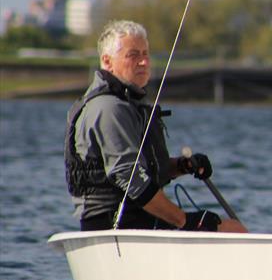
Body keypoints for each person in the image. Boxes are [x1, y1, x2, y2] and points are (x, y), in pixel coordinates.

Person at [65, 20, 247, 233]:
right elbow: (130, 177)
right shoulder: (108, 108)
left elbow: (142, 171)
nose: (143, 62)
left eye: (145, 54)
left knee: (230, 227)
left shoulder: (127, 104)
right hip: (115, 226)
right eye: (133, 55)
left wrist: (181, 166)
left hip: (137, 220)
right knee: (232, 230)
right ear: (107, 61)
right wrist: (184, 221)